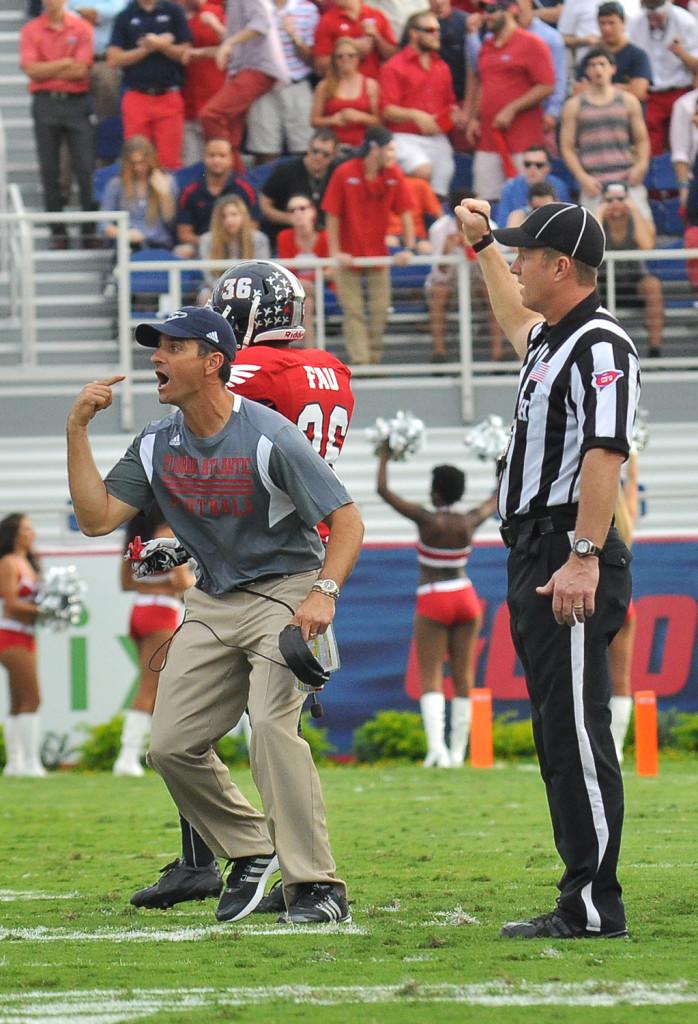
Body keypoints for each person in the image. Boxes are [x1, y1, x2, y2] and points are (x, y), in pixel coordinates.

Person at [66, 303, 364, 926]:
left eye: (171, 348)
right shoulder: (155, 443)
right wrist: (77, 432)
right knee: (171, 746)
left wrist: (323, 595)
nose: (155, 358)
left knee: (271, 728)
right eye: (156, 348)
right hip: (211, 599)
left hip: (285, 590)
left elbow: (347, 521)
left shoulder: (270, 433)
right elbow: (96, 520)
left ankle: (317, 888)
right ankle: (253, 849)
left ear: (213, 363)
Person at [456, 197, 640, 939]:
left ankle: (594, 906)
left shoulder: (600, 345)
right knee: (557, 729)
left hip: (568, 544)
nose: (518, 264)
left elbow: (605, 451)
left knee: (574, 732)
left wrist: (584, 557)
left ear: (562, 266)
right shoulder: (553, 340)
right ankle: (583, 896)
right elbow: (512, 316)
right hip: (539, 548)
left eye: (527, 254)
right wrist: (482, 250)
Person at [376, 453, 496, 767]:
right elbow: (496, 498)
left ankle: (437, 750)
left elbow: (384, 491)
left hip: (433, 598)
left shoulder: (427, 520)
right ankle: (457, 753)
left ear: (437, 492)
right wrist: (501, 463)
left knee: (430, 676)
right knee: (463, 677)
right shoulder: (469, 520)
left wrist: (384, 456)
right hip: (466, 596)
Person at [322, 124, 415, 364]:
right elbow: (332, 213)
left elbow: (406, 211)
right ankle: (362, 362)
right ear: (375, 149)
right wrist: (335, 252)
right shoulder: (344, 172)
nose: (393, 155)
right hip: (348, 255)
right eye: (390, 149)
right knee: (352, 312)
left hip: (377, 255)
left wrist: (408, 247)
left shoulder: (393, 174)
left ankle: (373, 359)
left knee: (380, 310)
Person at [114, 505, 195, 777]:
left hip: (138, 611)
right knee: (150, 687)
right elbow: (183, 582)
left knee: (153, 686)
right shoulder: (169, 533)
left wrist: (153, 584)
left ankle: (140, 753)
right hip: (161, 613)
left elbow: (126, 583)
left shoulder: (137, 537)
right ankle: (127, 757)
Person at [19, 0, 96, 250]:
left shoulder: (82, 27)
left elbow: (81, 70)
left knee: (86, 170)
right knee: (49, 170)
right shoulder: (31, 29)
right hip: (45, 103)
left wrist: (48, 69)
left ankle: (88, 231)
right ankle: (58, 232)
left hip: (76, 102)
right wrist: (65, 63)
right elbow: (30, 69)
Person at [466, 0, 555, 204]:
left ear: (511, 9)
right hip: (488, 138)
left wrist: (512, 109)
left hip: (523, 140)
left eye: (491, 10)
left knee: (525, 199)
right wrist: (474, 118)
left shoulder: (532, 43)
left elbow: (547, 85)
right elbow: (483, 84)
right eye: (483, 10)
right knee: (484, 201)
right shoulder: (486, 46)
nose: (486, 15)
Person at [560, 47, 651, 219]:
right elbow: (567, 147)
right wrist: (582, 177)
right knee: (591, 237)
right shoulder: (574, 106)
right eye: (592, 65)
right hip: (593, 182)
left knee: (645, 230)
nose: (598, 69)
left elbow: (642, 140)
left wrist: (641, 165)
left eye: (602, 64)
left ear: (613, 68)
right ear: (586, 70)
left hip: (627, 178)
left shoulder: (628, 101)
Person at [380, 10, 461, 199]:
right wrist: (416, 115)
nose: (436, 34)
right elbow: (387, 109)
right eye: (430, 30)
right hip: (404, 136)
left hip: (436, 136)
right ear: (414, 33)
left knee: (442, 182)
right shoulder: (394, 65)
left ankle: (430, 224)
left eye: (437, 30)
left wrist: (453, 116)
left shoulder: (442, 66)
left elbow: (450, 105)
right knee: (422, 170)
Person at [107, 0, 192, 171]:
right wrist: (147, 48)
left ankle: (167, 197)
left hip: (168, 95)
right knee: (136, 159)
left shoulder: (173, 11)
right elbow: (114, 59)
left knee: (170, 162)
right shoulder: (125, 15)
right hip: (136, 95)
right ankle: (138, 198)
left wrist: (162, 45)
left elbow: (185, 53)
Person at [199, 0, 288, 158]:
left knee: (211, 115)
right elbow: (236, 42)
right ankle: (234, 174)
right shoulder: (233, 4)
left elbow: (261, 25)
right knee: (230, 129)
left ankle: (222, 167)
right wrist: (200, 52)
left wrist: (228, 43)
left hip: (258, 69)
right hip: (244, 69)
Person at [425, 186, 504, 360]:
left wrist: (478, 249)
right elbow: (439, 273)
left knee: (491, 293)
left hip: (479, 278)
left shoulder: (490, 227)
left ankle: (497, 353)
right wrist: (446, 250)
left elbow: (495, 270)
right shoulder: (439, 229)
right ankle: (439, 353)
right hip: (450, 281)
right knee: (439, 292)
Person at [245, 0, 319, 164]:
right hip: (263, 87)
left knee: (304, 148)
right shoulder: (254, 7)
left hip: (296, 84)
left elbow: (312, 60)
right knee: (264, 151)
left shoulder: (307, 9)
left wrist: (294, 36)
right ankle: (264, 189)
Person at [0, 514, 46, 778]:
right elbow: (11, 604)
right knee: (33, 698)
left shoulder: (28, 563)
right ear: (15, 533)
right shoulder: (8, 562)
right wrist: (43, 610)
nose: (32, 533)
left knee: (18, 701)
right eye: (27, 528)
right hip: (11, 634)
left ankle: (14, 764)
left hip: (26, 634)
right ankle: (30, 762)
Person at [597, 180, 664, 358]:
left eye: (620, 198)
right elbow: (592, 242)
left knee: (653, 285)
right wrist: (599, 212)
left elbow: (647, 245)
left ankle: (654, 349)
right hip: (602, 281)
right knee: (586, 288)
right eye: (610, 200)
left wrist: (633, 210)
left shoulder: (637, 219)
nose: (615, 204)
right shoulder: (598, 220)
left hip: (634, 280)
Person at [628, 0, 698, 156]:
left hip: (680, 91)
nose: (654, 21)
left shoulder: (686, 21)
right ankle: (654, 178)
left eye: (658, 17)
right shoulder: (635, 23)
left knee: (682, 144)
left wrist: (681, 53)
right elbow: (630, 59)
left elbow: (697, 66)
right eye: (651, 17)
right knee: (651, 145)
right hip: (651, 94)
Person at [175, 138, 257, 259]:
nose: (216, 160)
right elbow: (184, 233)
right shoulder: (190, 192)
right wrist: (211, 243)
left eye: (222, 156)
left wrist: (229, 243)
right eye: (212, 155)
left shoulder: (245, 190)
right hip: (201, 245)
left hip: (238, 245)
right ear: (204, 158)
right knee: (182, 251)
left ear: (231, 159)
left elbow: (253, 226)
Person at [608, 449, 639, 764]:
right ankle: (615, 747)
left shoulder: (595, 513)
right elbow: (632, 485)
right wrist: (634, 454)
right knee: (621, 678)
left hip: (597, 599)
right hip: (625, 601)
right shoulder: (626, 515)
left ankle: (598, 744)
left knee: (584, 675)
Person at [260, 129, 340, 245]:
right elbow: (264, 203)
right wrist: (291, 218)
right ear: (308, 147)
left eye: (325, 154)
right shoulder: (285, 170)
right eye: (315, 151)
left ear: (334, 155)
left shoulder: (338, 173)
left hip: (326, 239)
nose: (318, 157)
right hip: (288, 237)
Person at [99, 135, 176, 249]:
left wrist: (165, 195)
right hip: (128, 245)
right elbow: (103, 224)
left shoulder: (167, 180)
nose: (138, 168)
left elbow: (171, 224)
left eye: (142, 162)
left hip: (159, 244)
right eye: (133, 163)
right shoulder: (116, 185)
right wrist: (124, 234)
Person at [276, 196, 331, 347]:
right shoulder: (284, 237)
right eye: (292, 210)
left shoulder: (325, 237)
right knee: (307, 303)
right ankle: (310, 349)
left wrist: (310, 279)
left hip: (323, 288)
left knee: (306, 299)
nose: (298, 213)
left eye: (302, 208)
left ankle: (308, 349)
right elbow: (286, 272)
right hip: (295, 291)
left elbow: (331, 271)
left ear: (312, 211)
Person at [311, 37, 380, 152]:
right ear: (334, 60)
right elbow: (314, 121)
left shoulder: (370, 85)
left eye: (351, 55)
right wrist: (332, 120)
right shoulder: (324, 86)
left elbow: (379, 121)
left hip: (363, 145)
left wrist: (361, 117)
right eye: (340, 56)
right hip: (333, 146)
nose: (345, 59)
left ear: (358, 58)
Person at [179, 0, 226, 166]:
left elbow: (234, 48)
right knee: (191, 162)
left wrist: (214, 25)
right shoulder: (176, 12)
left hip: (214, 94)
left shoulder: (215, 11)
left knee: (219, 157)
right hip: (187, 97)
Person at [197, 196, 271, 301]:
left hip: (252, 288)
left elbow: (262, 272)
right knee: (205, 295)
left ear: (243, 216)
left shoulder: (259, 239)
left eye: (234, 214)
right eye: (223, 216)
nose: (229, 220)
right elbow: (209, 276)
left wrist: (242, 290)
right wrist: (227, 291)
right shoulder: (207, 240)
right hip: (216, 289)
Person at [575, 1, 651, 103]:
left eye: (611, 23)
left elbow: (638, 92)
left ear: (623, 23)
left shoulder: (638, 56)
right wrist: (624, 88)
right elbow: (578, 91)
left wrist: (596, 87)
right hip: (595, 111)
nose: (606, 28)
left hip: (627, 111)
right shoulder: (591, 56)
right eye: (602, 23)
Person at [313, 0, 398, 80]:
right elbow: (320, 66)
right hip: (343, 88)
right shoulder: (326, 21)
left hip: (376, 84)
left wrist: (376, 37)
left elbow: (393, 56)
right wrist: (351, 47)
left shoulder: (377, 15)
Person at [495, 145, 571, 227]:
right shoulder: (510, 188)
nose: (532, 169)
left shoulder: (559, 187)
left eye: (539, 165)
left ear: (548, 167)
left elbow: (565, 221)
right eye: (528, 164)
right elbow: (502, 225)